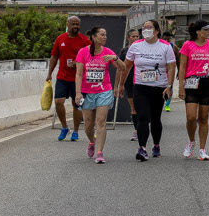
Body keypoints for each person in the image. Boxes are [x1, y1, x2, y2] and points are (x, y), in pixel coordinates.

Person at [118, 19, 176, 161]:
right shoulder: (136, 46)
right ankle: (142, 148)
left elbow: (171, 67)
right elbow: (126, 66)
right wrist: (121, 85)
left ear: (156, 31)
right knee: (142, 116)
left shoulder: (166, 46)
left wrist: (169, 86)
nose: (145, 30)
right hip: (141, 87)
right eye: (143, 28)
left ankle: (156, 145)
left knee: (155, 118)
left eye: (149, 27)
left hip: (159, 88)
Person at [73, 26, 127, 164]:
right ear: (94, 37)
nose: (105, 37)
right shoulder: (83, 52)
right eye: (102, 35)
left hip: (104, 91)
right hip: (86, 91)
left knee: (101, 121)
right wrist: (78, 93)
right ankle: (92, 141)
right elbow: (79, 74)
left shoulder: (107, 52)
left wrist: (115, 58)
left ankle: (100, 152)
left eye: (106, 35)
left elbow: (123, 68)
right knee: (88, 124)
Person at [177, 20, 209, 161]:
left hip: (207, 82)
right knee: (191, 117)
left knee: (204, 117)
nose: (208, 32)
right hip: (191, 82)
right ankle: (191, 142)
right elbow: (182, 67)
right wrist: (180, 87)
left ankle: (202, 149)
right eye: (206, 29)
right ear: (197, 32)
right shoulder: (187, 45)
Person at [47, 15, 89, 142]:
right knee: (58, 102)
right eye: (73, 24)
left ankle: (75, 131)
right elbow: (54, 57)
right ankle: (65, 127)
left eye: (77, 24)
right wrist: (49, 73)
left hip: (78, 78)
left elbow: (91, 57)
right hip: (62, 77)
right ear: (68, 24)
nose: (75, 27)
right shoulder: (60, 39)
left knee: (77, 104)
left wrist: (78, 63)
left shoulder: (84, 40)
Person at [118, 28, 141, 140]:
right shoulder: (124, 51)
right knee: (134, 107)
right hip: (129, 82)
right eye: (133, 36)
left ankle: (142, 127)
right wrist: (118, 85)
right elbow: (120, 68)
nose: (135, 38)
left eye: (137, 36)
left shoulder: (143, 49)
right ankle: (136, 130)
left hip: (141, 82)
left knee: (142, 106)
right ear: (128, 38)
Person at [162, 30, 178, 112]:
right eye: (165, 39)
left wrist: (178, 71)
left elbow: (178, 59)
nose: (167, 41)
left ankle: (167, 104)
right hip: (160, 71)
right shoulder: (158, 46)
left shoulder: (173, 46)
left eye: (168, 39)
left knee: (170, 87)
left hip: (170, 71)